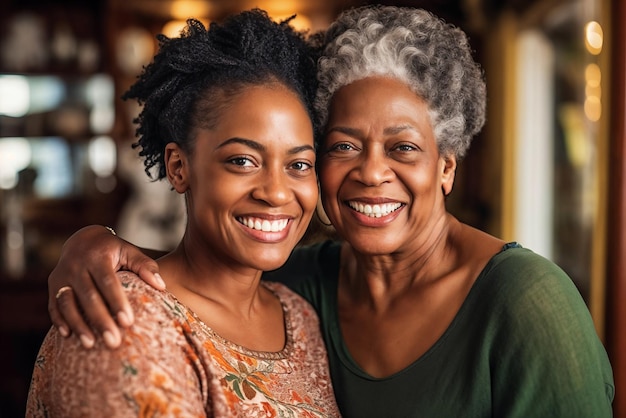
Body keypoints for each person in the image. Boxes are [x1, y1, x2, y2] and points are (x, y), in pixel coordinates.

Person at [45, 5, 615, 417]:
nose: (370, 172)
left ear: (447, 166)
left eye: (403, 148)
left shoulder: (527, 303)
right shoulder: (306, 286)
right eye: (342, 146)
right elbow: (207, 281)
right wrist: (95, 245)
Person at [26, 10, 341, 417]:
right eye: (243, 161)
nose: (277, 192)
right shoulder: (122, 319)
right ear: (179, 168)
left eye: (298, 165)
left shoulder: (300, 315)